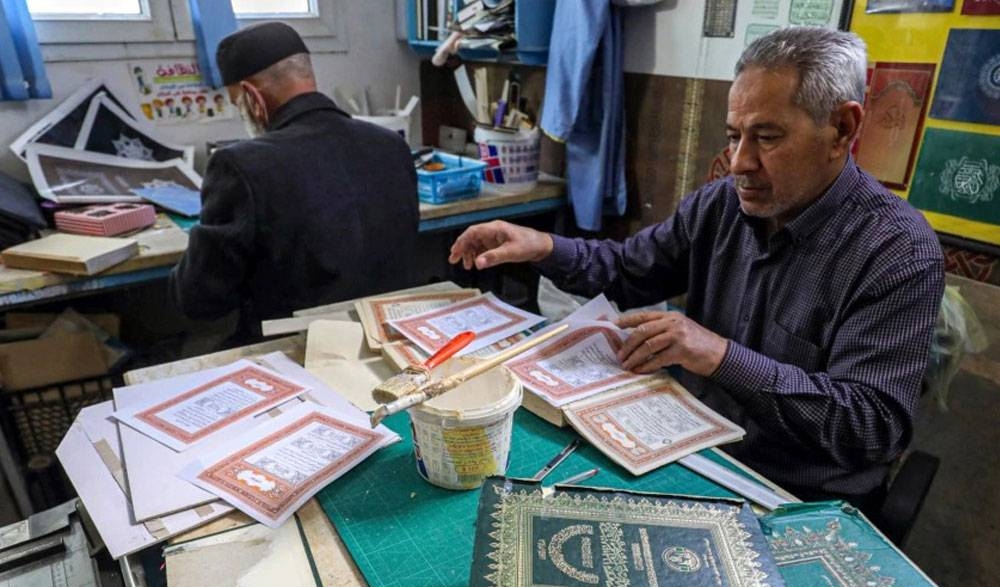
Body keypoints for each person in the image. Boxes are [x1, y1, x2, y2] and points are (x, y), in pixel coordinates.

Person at [448, 27, 945, 509]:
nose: (739, 163)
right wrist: (541, 246)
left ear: (842, 129)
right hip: (692, 452)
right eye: (734, 136)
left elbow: (871, 427)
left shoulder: (897, 252)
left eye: (767, 137)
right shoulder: (724, 205)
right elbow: (629, 270)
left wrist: (719, 356)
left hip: (796, 496)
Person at [170, 22, 429, 342]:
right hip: (388, 336)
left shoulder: (240, 165)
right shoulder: (391, 145)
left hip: (300, 349)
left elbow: (200, 299)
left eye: (238, 103)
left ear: (252, 97)